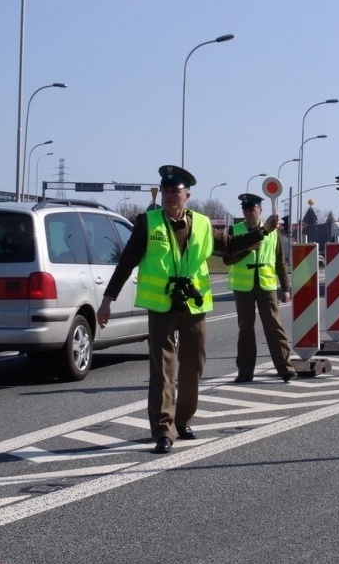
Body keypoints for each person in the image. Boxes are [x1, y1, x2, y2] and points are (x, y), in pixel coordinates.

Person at [96, 165, 277, 454]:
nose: (169, 195)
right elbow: (127, 261)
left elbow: (231, 247)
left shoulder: (202, 224)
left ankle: (183, 421)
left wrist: (263, 231)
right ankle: (163, 430)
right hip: (161, 305)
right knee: (162, 369)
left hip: (194, 303)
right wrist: (108, 300)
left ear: (187, 195)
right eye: (165, 190)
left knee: (194, 365)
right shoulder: (148, 222)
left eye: (175, 191)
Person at [224, 192, 296, 384]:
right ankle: (245, 372)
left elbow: (280, 261)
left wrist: (286, 288)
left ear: (260, 210)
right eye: (245, 209)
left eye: (252, 209)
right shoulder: (235, 229)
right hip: (243, 287)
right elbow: (227, 258)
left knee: (274, 326)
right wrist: (247, 248)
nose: (248, 213)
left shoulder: (273, 230)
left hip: (266, 285)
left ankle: (285, 369)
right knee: (245, 329)